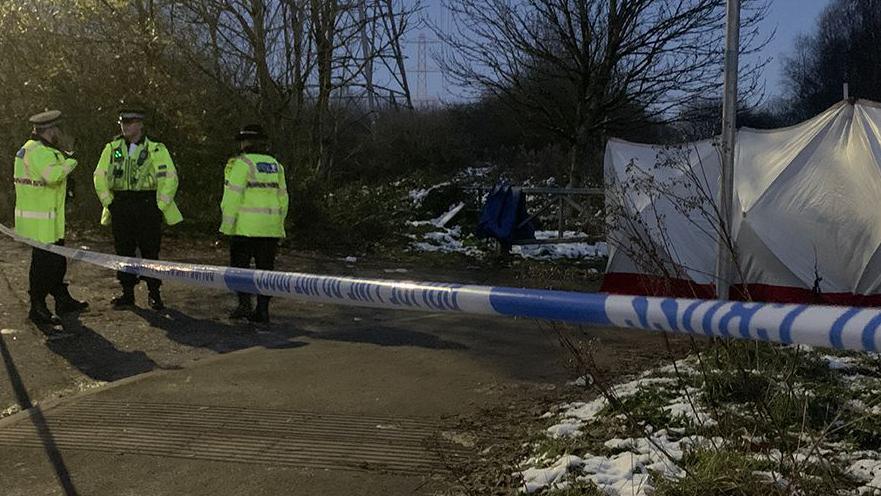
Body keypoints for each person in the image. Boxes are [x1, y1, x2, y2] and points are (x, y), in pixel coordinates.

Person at [93, 105, 183, 310]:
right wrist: (110, 203)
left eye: (130, 122)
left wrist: (159, 206)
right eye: (123, 123)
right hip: (121, 204)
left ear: (140, 125)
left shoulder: (155, 149)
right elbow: (99, 176)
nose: (125, 126)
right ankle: (127, 293)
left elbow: (170, 178)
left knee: (150, 251)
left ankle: (154, 293)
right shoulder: (112, 148)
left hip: (147, 204)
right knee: (123, 251)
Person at [13, 110, 89, 325]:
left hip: (46, 218)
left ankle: (61, 298)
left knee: (56, 261)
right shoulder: (39, 152)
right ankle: (37, 306)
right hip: (42, 220)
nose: (58, 133)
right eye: (56, 129)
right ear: (50, 130)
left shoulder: (34, 149)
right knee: (43, 265)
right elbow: (53, 176)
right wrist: (71, 162)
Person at [220, 124, 288, 323]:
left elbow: (232, 198)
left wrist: (226, 226)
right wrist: (279, 223)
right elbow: (284, 199)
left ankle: (244, 305)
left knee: (239, 269)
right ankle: (263, 310)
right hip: (270, 228)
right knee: (266, 271)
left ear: (244, 142)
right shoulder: (276, 165)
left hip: (245, 228)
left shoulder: (242, 164)